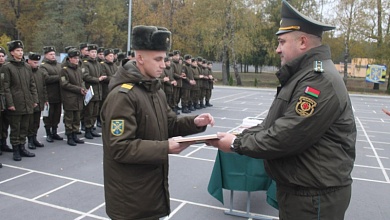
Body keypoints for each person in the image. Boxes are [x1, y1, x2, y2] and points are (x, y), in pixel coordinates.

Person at [207, 1, 356, 219]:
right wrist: (240, 135)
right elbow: (275, 125)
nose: (277, 49)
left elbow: (287, 135)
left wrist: (236, 143)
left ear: (303, 42)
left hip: (313, 197)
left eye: (282, 42)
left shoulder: (318, 81)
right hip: (304, 191)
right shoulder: (303, 76)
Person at [101, 25, 215, 220]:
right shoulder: (123, 96)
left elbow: (169, 123)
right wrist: (164, 148)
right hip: (131, 200)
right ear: (140, 58)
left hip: (149, 191)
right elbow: (119, 147)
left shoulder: (155, 90)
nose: (164, 65)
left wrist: (194, 122)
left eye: (165, 59)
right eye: (158, 59)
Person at [3, 40, 38, 161]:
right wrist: (10, 103)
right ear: (12, 52)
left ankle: (22, 147)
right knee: (15, 127)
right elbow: (5, 87)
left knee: (24, 126)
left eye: (21, 50)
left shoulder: (27, 67)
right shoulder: (7, 67)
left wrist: (34, 99)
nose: (20, 52)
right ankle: (16, 149)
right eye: (17, 50)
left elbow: (32, 85)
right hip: (16, 103)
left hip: (27, 102)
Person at [60, 49, 87, 146]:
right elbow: (64, 84)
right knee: (69, 118)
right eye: (75, 58)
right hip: (69, 98)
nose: (77, 60)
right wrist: (78, 89)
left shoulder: (79, 69)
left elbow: (82, 81)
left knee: (77, 117)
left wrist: (83, 88)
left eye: (78, 58)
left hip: (78, 97)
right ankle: (69, 136)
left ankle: (75, 135)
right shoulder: (64, 69)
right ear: (70, 59)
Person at [82, 44, 106, 139]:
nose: (94, 54)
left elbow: (102, 74)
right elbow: (85, 76)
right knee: (89, 112)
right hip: (90, 90)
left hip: (98, 91)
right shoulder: (85, 63)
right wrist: (98, 79)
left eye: (95, 52)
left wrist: (102, 77)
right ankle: (87, 129)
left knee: (95, 112)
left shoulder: (98, 63)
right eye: (92, 52)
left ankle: (92, 128)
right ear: (88, 53)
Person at [40, 46, 64, 142]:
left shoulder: (59, 65)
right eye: (50, 54)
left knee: (57, 115)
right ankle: (48, 133)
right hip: (49, 95)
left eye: (54, 54)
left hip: (59, 94)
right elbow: (46, 79)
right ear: (46, 55)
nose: (53, 56)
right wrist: (59, 77)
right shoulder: (43, 66)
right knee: (48, 116)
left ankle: (54, 132)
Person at [26, 52, 48, 149]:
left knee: (36, 122)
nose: (36, 64)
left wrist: (45, 99)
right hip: (30, 101)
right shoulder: (26, 71)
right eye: (34, 62)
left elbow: (43, 87)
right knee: (30, 122)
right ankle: (30, 140)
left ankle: (34, 138)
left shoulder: (40, 72)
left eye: (37, 62)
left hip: (39, 100)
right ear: (29, 61)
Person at [0, 46, 13, 154]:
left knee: (5, 123)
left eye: (2, 56)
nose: (1, 58)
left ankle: (3, 143)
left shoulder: (8, 68)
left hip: (6, 99)